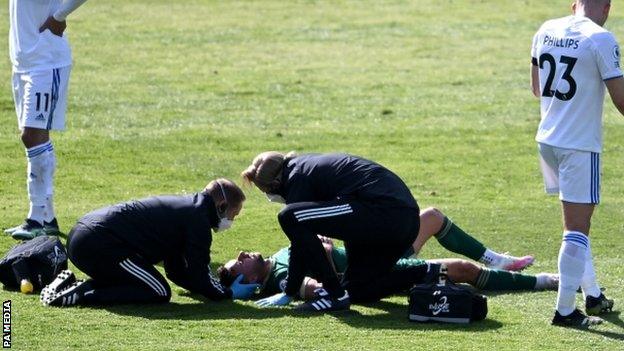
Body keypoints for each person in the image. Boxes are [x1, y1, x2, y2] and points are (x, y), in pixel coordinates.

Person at [530, 0, 624, 327]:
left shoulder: (546, 29)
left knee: (575, 222)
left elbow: (536, 88)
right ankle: (565, 310)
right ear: (608, 7)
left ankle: (593, 294)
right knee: (577, 228)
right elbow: (622, 101)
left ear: (574, 4)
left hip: (548, 140)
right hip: (578, 146)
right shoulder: (601, 39)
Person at [241, 151, 422, 312]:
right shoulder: (303, 165)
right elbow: (302, 238)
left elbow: (298, 242)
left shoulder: (297, 177)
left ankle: (333, 295)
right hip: (405, 221)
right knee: (357, 289)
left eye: (266, 191)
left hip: (386, 212)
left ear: (275, 183)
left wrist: (289, 291)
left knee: (289, 215)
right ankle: (430, 274)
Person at [39, 179, 259, 307]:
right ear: (221, 206)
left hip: (87, 236)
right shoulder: (198, 220)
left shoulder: (191, 210)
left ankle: (70, 285)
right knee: (158, 291)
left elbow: (178, 271)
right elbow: (199, 272)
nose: (232, 220)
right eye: (233, 214)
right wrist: (228, 294)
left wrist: (201, 289)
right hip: (99, 243)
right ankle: (82, 295)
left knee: (148, 283)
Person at [217, 220, 557, 301]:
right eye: (238, 265)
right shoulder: (278, 278)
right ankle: (545, 281)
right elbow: (318, 290)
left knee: (431, 217)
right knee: (464, 271)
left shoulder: (274, 261)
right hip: (375, 269)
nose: (243, 255)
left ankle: (498, 261)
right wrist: (325, 263)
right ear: (246, 284)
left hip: (375, 252)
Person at [4, 0, 89, 240]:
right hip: (22, 62)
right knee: (33, 137)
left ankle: (35, 219)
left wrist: (59, 16)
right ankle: (47, 219)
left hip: (45, 61)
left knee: (31, 135)